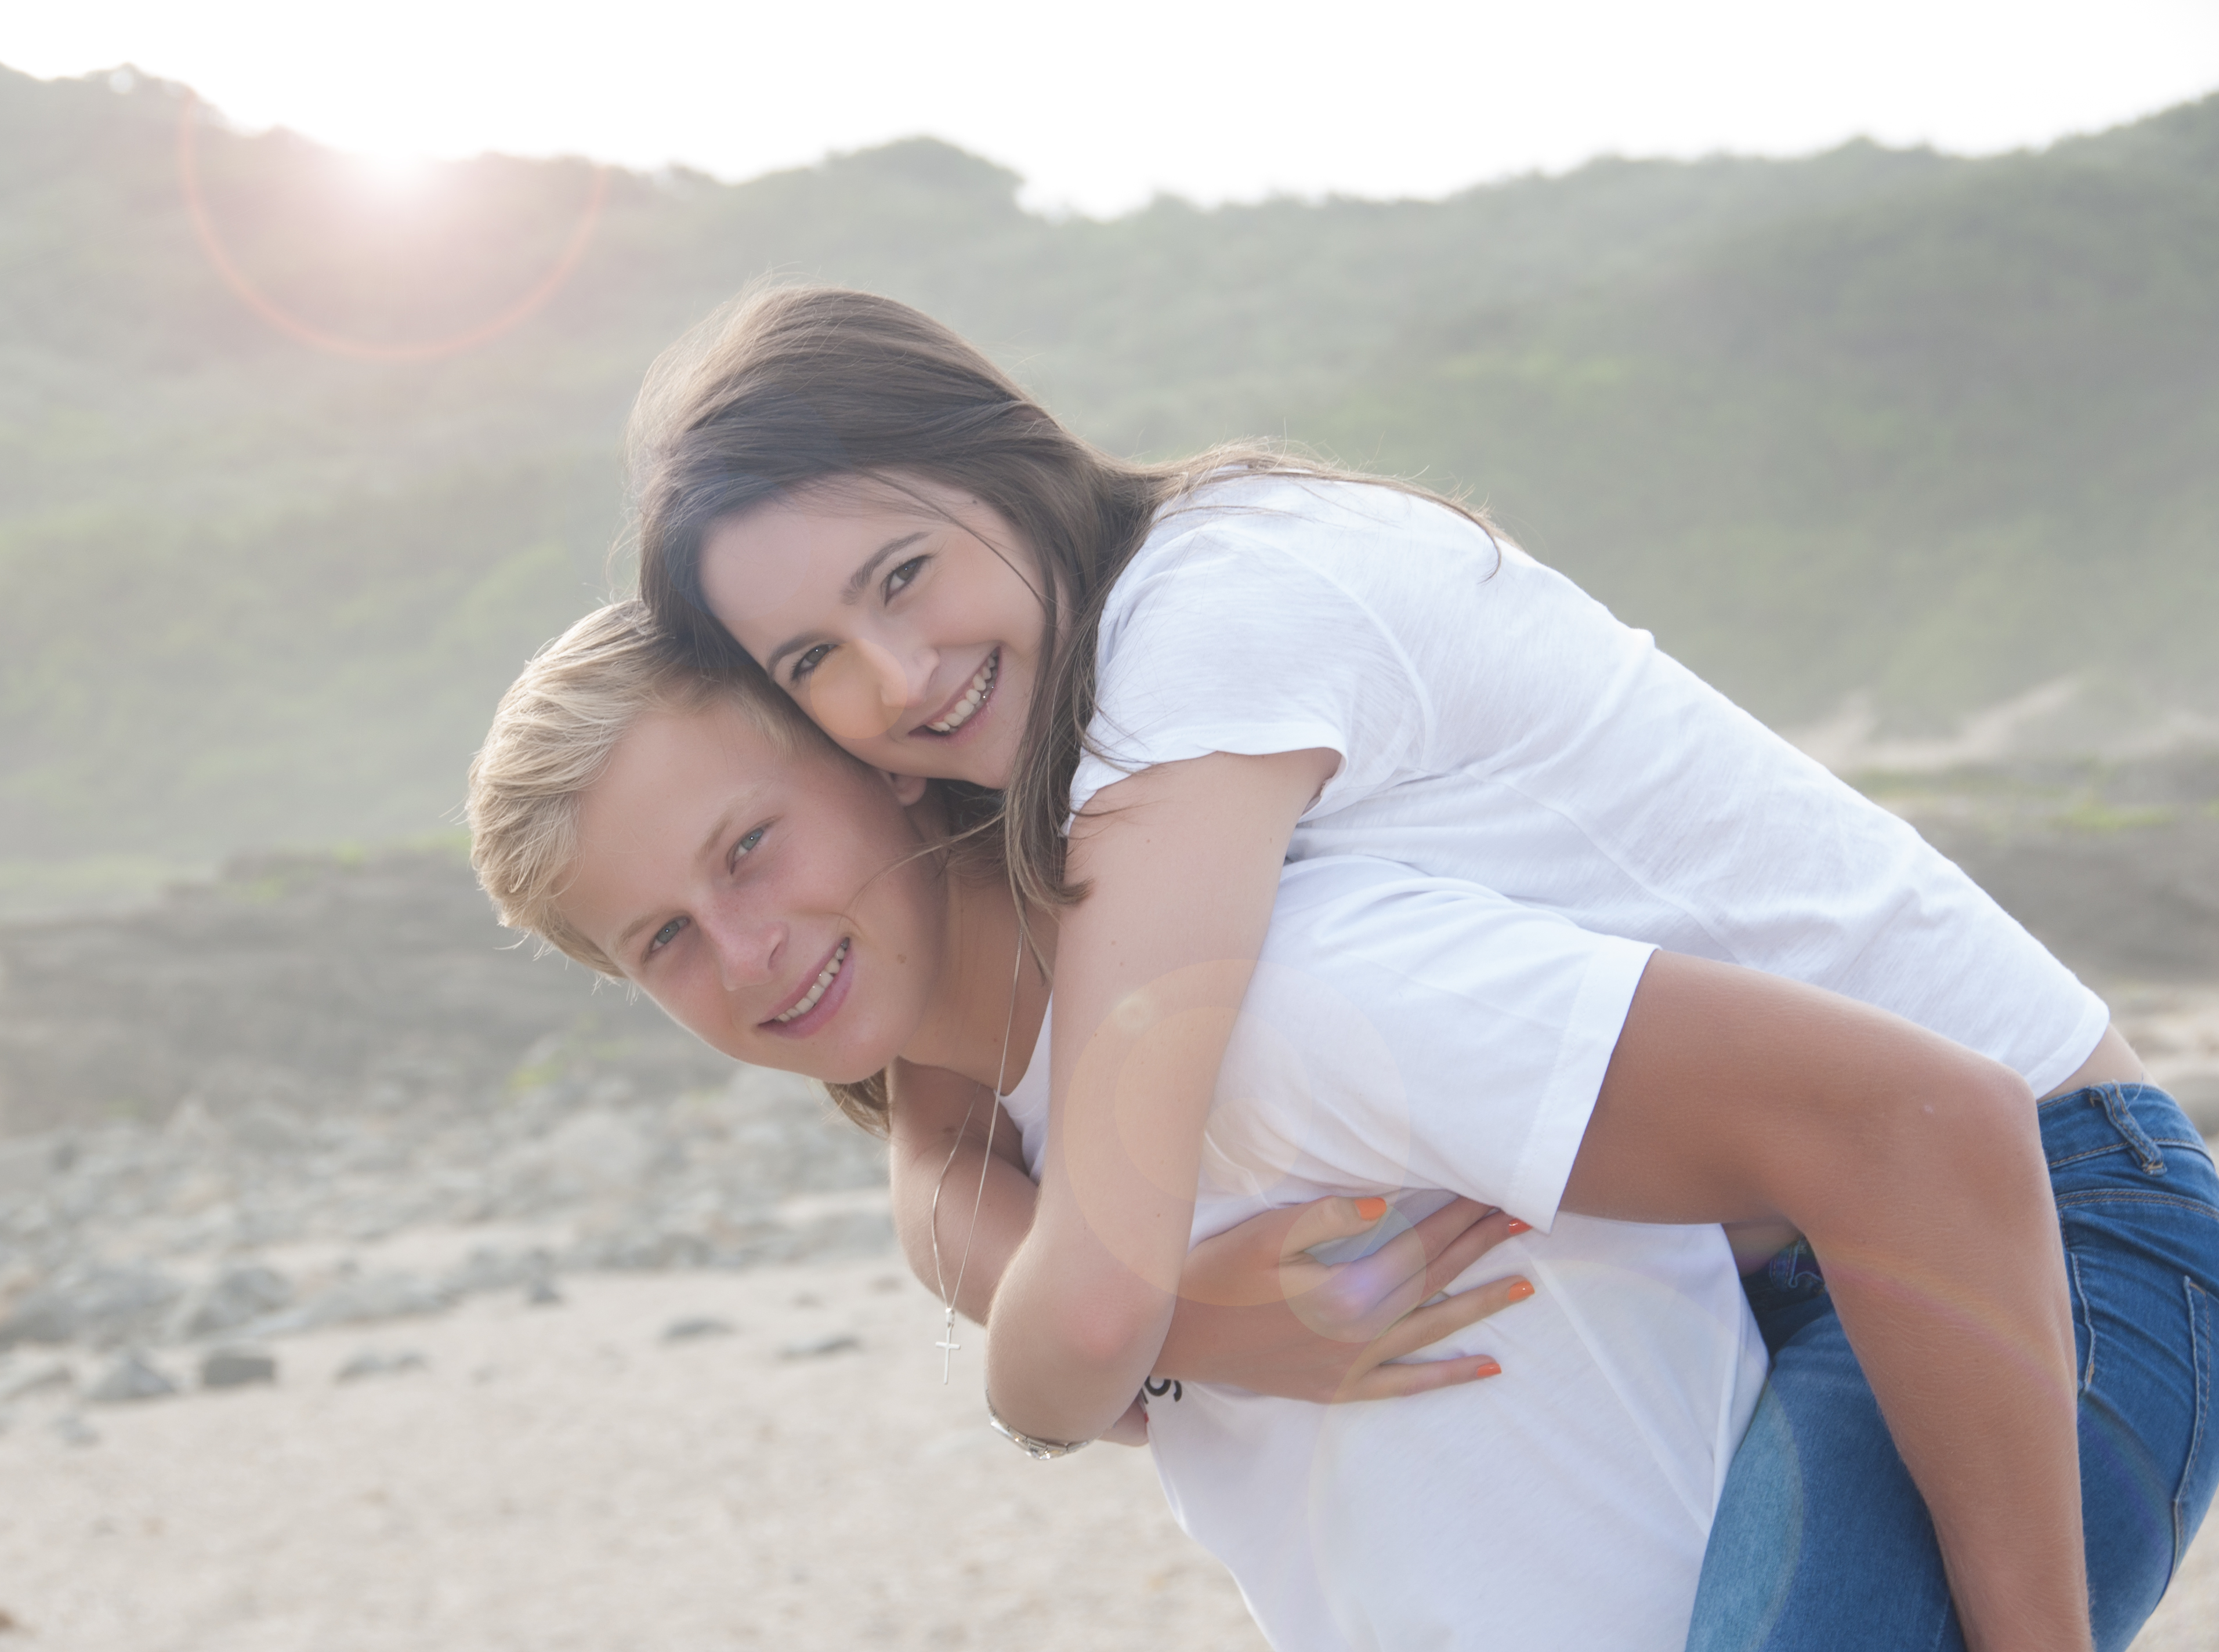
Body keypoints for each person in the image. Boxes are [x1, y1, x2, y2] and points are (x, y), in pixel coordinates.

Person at [625, 285, 2219, 1650]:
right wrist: (1146, 1314)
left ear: (1001, 458)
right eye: (812, 660)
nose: (898, 676)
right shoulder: (1059, 727)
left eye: (902, 573)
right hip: (1803, 1235)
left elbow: (1085, 1306)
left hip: (2042, 1216)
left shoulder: (1200, 649)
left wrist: (1081, 1364)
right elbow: (946, 1117)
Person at [471, 604, 1866, 1647]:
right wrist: (1163, 1321)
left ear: (878, 757)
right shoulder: (1008, 1141)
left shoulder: (1289, 988)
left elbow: (1858, 1130)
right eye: (663, 939)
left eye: (747, 847)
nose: (744, 951)